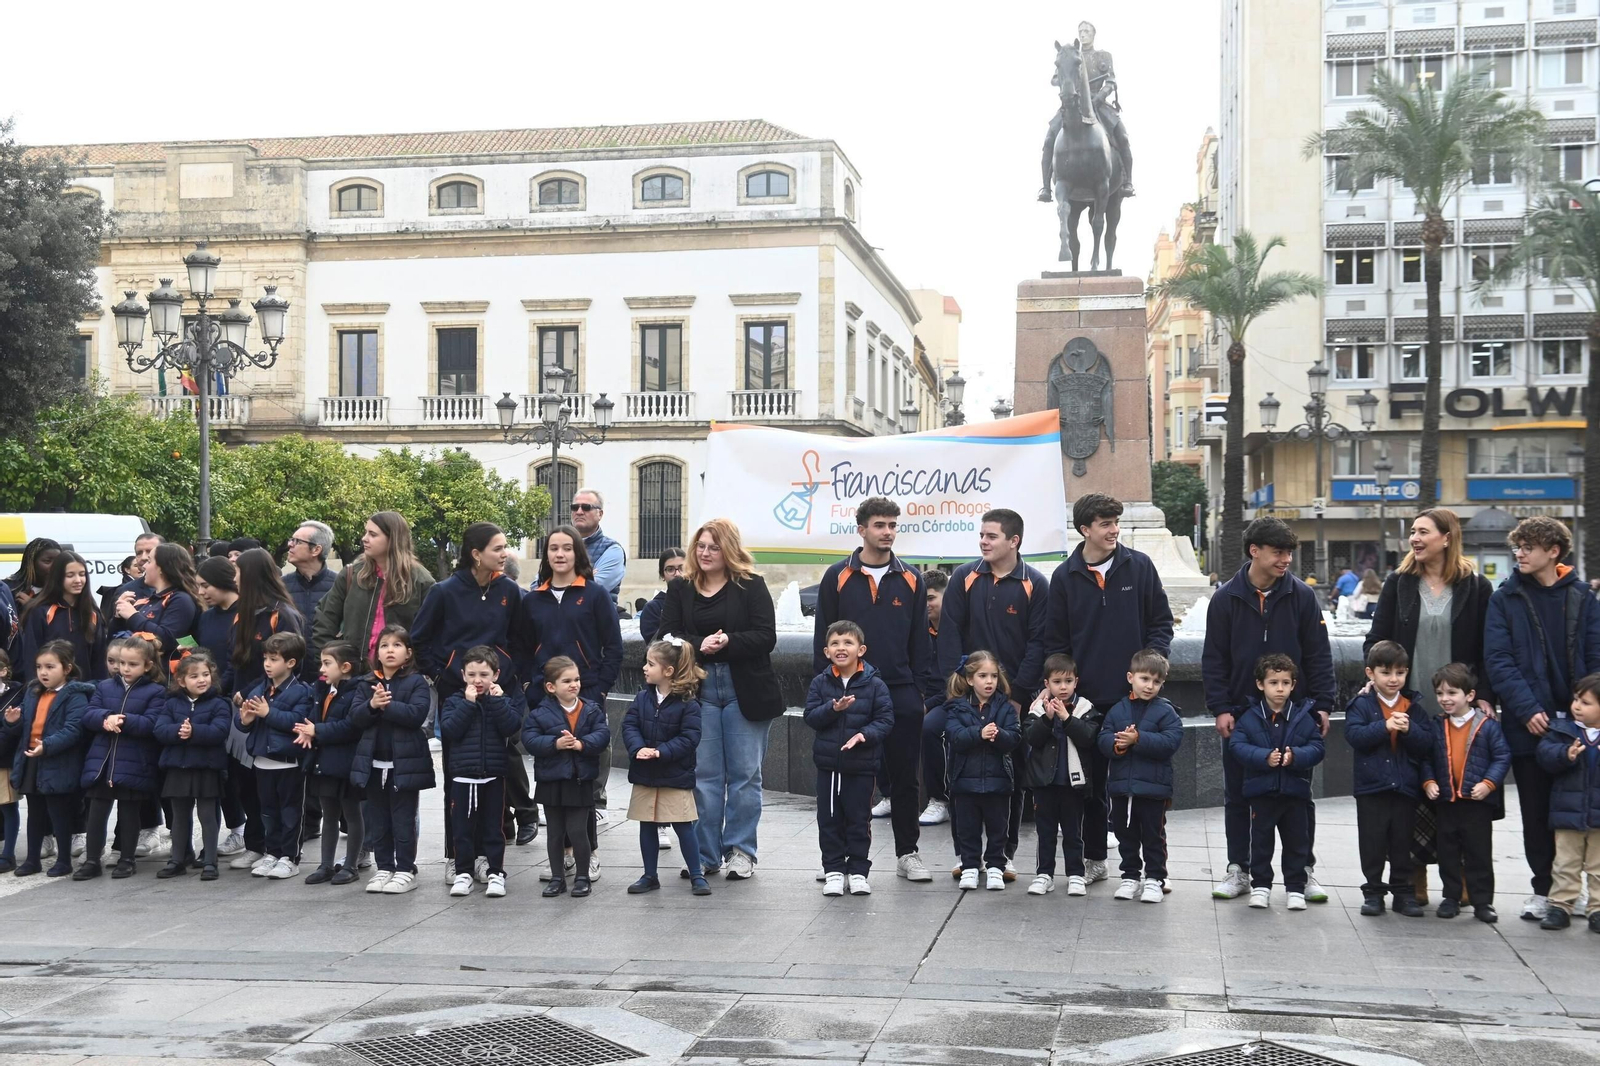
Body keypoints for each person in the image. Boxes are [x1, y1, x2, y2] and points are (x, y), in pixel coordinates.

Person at [1363, 508, 1495, 905]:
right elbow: (1376, 638)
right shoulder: (1399, 583)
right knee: (1413, 798)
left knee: (1461, 799)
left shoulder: (1476, 587)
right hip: (1410, 709)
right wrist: (1378, 682)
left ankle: (1466, 882)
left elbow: (1490, 648)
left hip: (1459, 712)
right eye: (1412, 533)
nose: (1414, 539)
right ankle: (1413, 879)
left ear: (1447, 537)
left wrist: (1485, 695)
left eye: (1422, 532)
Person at [1203, 518, 1336, 903]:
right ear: (1254, 551)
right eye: (1278, 552)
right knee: (1237, 795)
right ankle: (1239, 870)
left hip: (1295, 716)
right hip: (1243, 716)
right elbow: (1214, 659)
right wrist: (1221, 707)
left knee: (1299, 795)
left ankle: (1303, 871)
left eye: (1289, 552)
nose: (1286, 560)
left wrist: (1323, 705)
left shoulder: (1302, 596)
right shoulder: (1226, 598)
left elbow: (1318, 654)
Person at [1045, 493, 1173, 892]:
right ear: (1085, 529)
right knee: (1095, 787)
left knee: (1146, 787)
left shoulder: (1140, 566)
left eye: (1115, 521)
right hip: (1087, 702)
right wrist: (1065, 689)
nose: (1114, 529)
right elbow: (1057, 640)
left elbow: (1160, 622)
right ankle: (1097, 859)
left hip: (1135, 700)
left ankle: (1152, 870)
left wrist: (1149, 670)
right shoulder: (1064, 577)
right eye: (1105, 523)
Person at [811, 498, 941, 883]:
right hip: (848, 692)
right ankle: (838, 862)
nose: (887, 532)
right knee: (844, 778)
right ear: (862, 529)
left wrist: (920, 691)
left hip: (899, 690)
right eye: (880, 525)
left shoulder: (913, 577)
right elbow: (825, 640)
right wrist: (827, 692)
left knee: (905, 778)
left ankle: (908, 854)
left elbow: (922, 641)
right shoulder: (837, 576)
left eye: (892, 525)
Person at [1485, 515, 1600, 922]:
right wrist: (1527, 709)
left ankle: (1585, 893)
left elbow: (1596, 657)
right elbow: (1498, 660)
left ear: (1553, 551)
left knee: (1582, 809)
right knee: (1535, 811)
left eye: (1528, 547)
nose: (1519, 553)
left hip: (1579, 723)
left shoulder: (1583, 597)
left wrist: (1588, 709)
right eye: (1517, 546)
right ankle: (1544, 890)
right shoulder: (1505, 597)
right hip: (1527, 724)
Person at [657, 518, 782, 881]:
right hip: (700, 688)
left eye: (713, 546)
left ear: (728, 549)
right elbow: (667, 635)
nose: (705, 552)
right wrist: (699, 645)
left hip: (746, 688)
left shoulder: (751, 586)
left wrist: (728, 642)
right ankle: (706, 855)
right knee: (704, 775)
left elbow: (765, 636)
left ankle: (742, 852)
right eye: (700, 546)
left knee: (745, 775)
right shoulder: (681, 588)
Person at [935, 509, 1050, 877]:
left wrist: (1017, 696)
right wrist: (956, 691)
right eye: (981, 535)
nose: (983, 541)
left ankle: (1004, 854)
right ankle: (965, 855)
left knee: (1012, 776)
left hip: (1012, 700)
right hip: (966, 697)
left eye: (991, 536)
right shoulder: (963, 578)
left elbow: (1038, 643)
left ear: (1014, 541)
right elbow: (949, 635)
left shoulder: (1036, 583)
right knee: (953, 766)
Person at [514, 523, 623, 882]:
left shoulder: (594, 596)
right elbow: (521, 648)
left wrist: (600, 690)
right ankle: (561, 858)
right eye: (553, 549)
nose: (560, 554)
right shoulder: (533, 600)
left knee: (584, 782)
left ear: (578, 553)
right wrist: (532, 687)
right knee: (553, 778)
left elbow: (614, 647)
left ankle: (587, 853)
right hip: (545, 703)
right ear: (546, 556)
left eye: (567, 548)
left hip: (586, 698)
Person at [804, 620, 895, 897]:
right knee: (829, 820)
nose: (841, 648)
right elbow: (811, 717)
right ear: (826, 651)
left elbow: (885, 719)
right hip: (829, 766)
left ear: (861, 649)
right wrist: (833, 708)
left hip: (862, 766)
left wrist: (863, 736)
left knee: (859, 821)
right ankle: (833, 871)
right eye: (835, 643)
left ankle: (857, 872)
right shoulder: (821, 683)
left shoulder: (875, 684)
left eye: (847, 643)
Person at [1344, 641, 1432, 918]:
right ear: (1371, 673)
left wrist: (1410, 730)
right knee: (1372, 842)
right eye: (1386, 673)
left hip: (1405, 787)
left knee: (1402, 843)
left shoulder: (1413, 707)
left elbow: (1427, 745)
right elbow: (1355, 737)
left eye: (1400, 673)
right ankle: (1373, 892)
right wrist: (1384, 726)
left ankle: (1403, 893)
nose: (1393, 679)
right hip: (1372, 787)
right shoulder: (1360, 704)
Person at [1231, 653, 1325, 911]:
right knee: (1261, 843)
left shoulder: (1303, 716)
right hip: (1262, 793)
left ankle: (1295, 888)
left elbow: (1317, 747)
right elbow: (1237, 746)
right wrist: (1263, 758)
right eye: (1274, 682)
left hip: (1294, 794)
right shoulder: (1250, 717)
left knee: (1297, 843)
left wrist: (1296, 756)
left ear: (1293, 685)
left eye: (1285, 682)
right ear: (1261, 684)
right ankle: (1261, 886)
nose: (1280, 688)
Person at [350, 625, 436, 895]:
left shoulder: (416, 682)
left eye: (397, 645)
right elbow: (355, 718)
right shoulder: (366, 683)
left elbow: (416, 714)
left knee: (403, 820)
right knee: (378, 819)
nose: (390, 650)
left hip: (404, 765)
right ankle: (384, 866)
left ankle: (406, 868)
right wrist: (371, 706)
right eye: (384, 645)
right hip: (374, 764)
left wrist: (386, 706)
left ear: (408, 653)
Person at [1422, 663, 1509, 923]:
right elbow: (1426, 758)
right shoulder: (1437, 725)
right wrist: (1428, 781)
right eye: (1440, 694)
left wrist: (1489, 783)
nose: (1445, 699)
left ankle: (1482, 901)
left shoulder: (1487, 726)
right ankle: (1451, 896)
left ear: (1469, 696)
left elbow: (1502, 757)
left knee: (1478, 852)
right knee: (1447, 851)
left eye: (1452, 693)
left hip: (1476, 802)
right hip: (1447, 800)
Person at [623, 636, 710, 896]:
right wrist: (639, 749)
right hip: (645, 773)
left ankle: (697, 874)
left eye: (651, 664)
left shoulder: (688, 703)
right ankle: (650, 875)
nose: (645, 668)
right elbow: (629, 726)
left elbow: (690, 738)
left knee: (683, 825)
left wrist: (661, 752)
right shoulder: (641, 698)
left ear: (668, 671)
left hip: (675, 774)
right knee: (647, 824)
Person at [1098, 649, 1183, 904]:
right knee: (1126, 835)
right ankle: (1130, 877)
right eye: (1145, 679)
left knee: (1153, 837)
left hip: (1154, 790)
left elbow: (1171, 741)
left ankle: (1155, 879)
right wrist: (1118, 745)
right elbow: (1103, 738)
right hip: (1122, 788)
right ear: (1130, 677)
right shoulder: (1117, 710)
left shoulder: (1166, 711)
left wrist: (1139, 739)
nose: (1150, 686)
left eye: (1156, 682)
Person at [1, 640, 91, 877]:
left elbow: (74, 729)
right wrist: (12, 723)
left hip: (57, 762)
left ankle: (63, 861)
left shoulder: (75, 695)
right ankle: (32, 860)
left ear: (67, 668)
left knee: (58, 813)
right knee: (35, 811)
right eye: (40, 667)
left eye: (50, 667)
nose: (43, 672)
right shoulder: (32, 692)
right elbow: (24, 727)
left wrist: (47, 746)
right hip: (32, 759)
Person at [76, 638, 165, 880]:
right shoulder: (105, 687)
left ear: (147, 666)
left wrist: (122, 719)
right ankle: (92, 859)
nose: (124, 668)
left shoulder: (156, 691)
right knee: (96, 813)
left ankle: (127, 859)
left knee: (129, 814)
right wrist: (106, 718)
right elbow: (88, 714)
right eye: (121, 663)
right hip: (101, 762)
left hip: (134, 762)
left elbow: (151, 724)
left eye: (132, 664)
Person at [439, 646, 523, 899]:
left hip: (493, 776)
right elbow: (450, 731)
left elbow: (512, 727)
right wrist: (468, 704)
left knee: (493, 828)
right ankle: (463, 872)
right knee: (462, 829)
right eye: (472, 674)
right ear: (463, 675)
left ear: (495, 675)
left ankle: (496, 872)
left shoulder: (502, 701)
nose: (478, 680)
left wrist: (497, 702)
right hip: (463, 776)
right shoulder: (455, 701)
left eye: (484, 674)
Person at [525, 656, 610, 899]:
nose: (574, 685)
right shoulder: (541, 713)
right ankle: (557, 877)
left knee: (577, 830)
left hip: (580, 780)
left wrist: (582, 744)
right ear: (551, 687)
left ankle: (582, 877)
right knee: (554, 832)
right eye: (567, 681)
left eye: (577, 679)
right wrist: (555, 743)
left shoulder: (590, 709)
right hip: (552, 780)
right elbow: (530, 739)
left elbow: (602, 735)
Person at [311, 512, 437, 669]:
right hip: (354, 675)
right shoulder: (352, 574)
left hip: (401, 678)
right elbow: (325, 620)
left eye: (372, 534)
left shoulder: (421, 581)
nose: (364, 538)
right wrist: (330, 663)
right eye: (365, 532)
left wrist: (417, 670)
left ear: (392, 539)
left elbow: (432, 635)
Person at [1021, 653, 1101, 896]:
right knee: (1045, 833)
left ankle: (1075, 874)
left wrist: (1066, 719)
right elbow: (1031, 737)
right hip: (1044, 783)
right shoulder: (1037, 708)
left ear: (1076, 682)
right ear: (1047, 684)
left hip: (1073, 784)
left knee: (1073, 832)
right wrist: (1047, 718)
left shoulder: (1085, 707)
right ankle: (1044, 874)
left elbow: (1089, 737)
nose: (1063, 687)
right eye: (1057, 682)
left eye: (1068, 681)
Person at [235, 632, 312, 881]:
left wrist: (268, 713)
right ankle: (273, 852)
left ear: (290, 663)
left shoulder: (301, 691)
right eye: (266, 658)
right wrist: (244, 721)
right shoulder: (261, 688)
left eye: (274, 659)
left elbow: (296, 722)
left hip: (288, 762)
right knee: (267, 811)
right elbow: (247, 723)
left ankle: (290, 857)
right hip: (261, 760)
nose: (267, 664)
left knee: (290, 812)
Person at [945, 650, 1021, 892]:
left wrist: (998, 735)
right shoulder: (957, 708)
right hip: (965, 782)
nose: (989, 682)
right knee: (967, 828)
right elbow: (955, 737)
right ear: (969, 680)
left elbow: (1015, 738)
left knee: (998, 827)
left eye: (994, 676)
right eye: (982, 676)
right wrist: (979, 733)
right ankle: (969, 866)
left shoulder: (1006, 708)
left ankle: (996, 866)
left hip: (998, 781)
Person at [193, 557, 253, 865]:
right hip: (209, 697)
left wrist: (220, 688)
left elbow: (235, 661)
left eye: (206, 585)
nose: (201, 592)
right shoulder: (207, 617)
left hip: (232, 699)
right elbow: (199, 650)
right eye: (199, 586)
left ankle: (245, 830)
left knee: (238, 772)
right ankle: (234, 828)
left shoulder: (245, 613)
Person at [292, 640, 366, 886]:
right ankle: (325, 864)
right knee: (329, 814)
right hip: (323, 762)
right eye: (321, 663)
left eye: (327, 663)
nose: (321, 669)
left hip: (345, 763)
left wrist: (318, 730)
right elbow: (314, 717)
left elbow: (351, 726)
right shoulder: (322, 689)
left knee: (352, 815)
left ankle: (351, 865)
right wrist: (307, 730)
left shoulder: (357, 691)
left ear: (345, 667)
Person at [154, 650, 231, 881]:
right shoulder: (171, 703)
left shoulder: (219, 703)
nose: (201, 680)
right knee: (179, 816)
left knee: (208, 815)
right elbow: (159, 729)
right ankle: (177, 859)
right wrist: (179, 731)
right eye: (194, 676)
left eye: (205, 674)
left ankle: (209, 861)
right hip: (178, 766)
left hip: (207, 767)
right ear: (181, 681)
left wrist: (194, 731)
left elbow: (220, 730)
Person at [1038, 20, 1135, 200]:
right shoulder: (1069, 55)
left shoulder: (1103, 56)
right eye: (1080, 31)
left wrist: (1100, 96)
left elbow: (1111, 81)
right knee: (1050, 137)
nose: (1083, 34)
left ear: (1093, 34)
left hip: (1098, 102)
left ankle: (1127, 180)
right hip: (1073, 103)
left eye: (1086, 31)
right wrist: (1066, 83)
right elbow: (1055, 78)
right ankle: (1045, 187)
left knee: (1122, 136)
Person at [1535, 671, 1600, 932]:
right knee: (1565, 864)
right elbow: (1545, 754)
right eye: (1576, 700)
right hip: (1567, 814)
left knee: (1598, 867)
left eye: (1586, 703)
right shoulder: (1563, 731)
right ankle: (1560, 906)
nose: (1577, 706)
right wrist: (1566, 754)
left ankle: (1597, 909)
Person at [15, 551, 106, 683]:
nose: (78, 580)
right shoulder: (40, 612)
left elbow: (99, 661)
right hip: (49, 692)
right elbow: (31, 656)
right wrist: (35, 692)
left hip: (85, 693)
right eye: (70, 575)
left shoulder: (92, 614)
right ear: (58, 577)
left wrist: (98, 693)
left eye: (82, 574)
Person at [230, 549, 307, 698]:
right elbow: (233, 660)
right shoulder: (243, 613)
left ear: (250, 576)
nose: (234, 579)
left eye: (237, 572)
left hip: (271, 702)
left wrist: (248, 692)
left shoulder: (282, 615)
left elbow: (292, 666)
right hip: (240, 702)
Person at [115, 544, 199, 661]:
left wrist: (133, 616)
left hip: (163, 675)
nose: (144, 566)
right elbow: (114, 640)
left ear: (162, 569)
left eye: (149, 561)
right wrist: (118, 616)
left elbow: (167, 639)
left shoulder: (181, 600)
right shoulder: (151, 599)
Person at [918, 568, 952, 827]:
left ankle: (939, 799)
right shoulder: (919, 631)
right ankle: (889, 793)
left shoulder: (957, 631)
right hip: (924, 697)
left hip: (951, 698)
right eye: (923, 599)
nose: (926, 604)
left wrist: (927, 704)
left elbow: (953, 683)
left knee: (930, 728)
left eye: (931, 598)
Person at [284, 521, 337, 663]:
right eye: (291, 540)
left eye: (297, 541)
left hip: (327, 673)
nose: (290, 544)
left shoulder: (339, 585)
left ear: (316, 550)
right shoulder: (281, 586)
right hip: (290, 673)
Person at [569, 488, 626, 602]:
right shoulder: (558, 547)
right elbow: (537, 585)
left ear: (600, 514)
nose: (579, 512)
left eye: (586, 507)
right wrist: (585, 576)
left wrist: (558, 580)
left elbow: (592, 590)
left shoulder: (612, 550)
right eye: (575, 507)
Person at [102, 534, 161, 625]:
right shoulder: (126, 591)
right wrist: (118, 618)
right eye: (139, 553)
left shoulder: (182, 591)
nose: (143, 557)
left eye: (149, 551)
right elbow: (113, 634)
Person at [638, 548, 686, 645]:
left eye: (682, 568)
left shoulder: (700, 600)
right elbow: (655, 645)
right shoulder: (652, 608)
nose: (677, 574)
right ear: (662, 575)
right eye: (670, 569)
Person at [0, 651, 20, 871]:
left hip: (3, 759)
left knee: (7, 805)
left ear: (3, 671)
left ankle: (8, 855)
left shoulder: (14, 695)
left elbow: (10, 730)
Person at [5, 538, 61, 612]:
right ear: (31, 562)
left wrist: (35, 608)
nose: (54, 567)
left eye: (58, 562)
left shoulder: (62, 593)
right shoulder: (8, 589)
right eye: (47, 561)